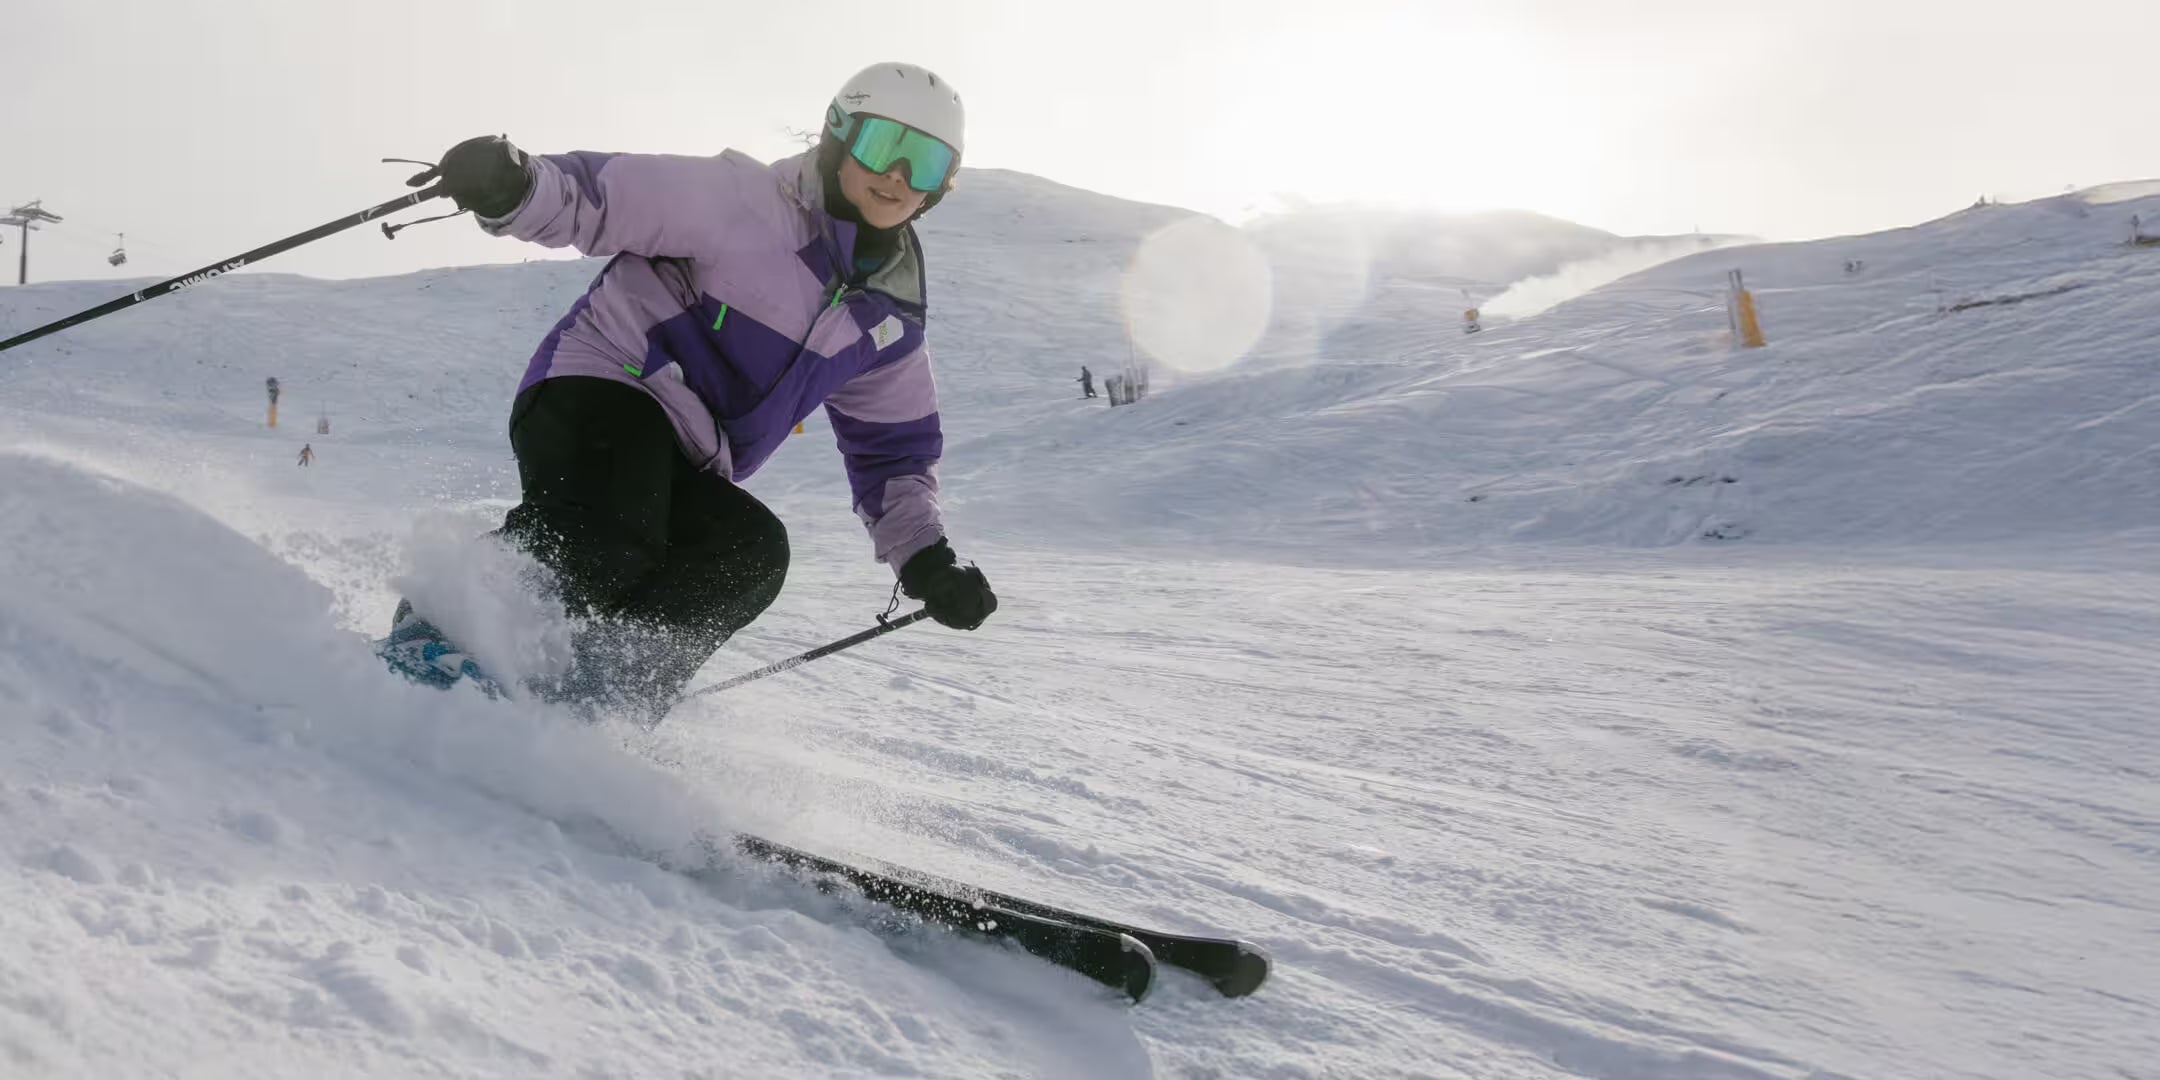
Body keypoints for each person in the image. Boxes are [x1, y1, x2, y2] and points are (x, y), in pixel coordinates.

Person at [378, 62, 998, 717]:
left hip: (690, 457)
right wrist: (518, 185)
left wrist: (928, 562)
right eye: (883, 145)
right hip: (602, 383)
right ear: (839, 137)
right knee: (609, 529)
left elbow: (894, 457)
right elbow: (602, 196)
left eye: (926, 162)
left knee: (747, 552)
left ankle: (594, 700)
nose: (898, 176)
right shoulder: (745, 201)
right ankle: (440, 631)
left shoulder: (887, 321)